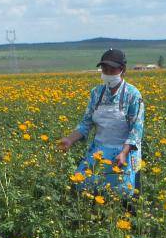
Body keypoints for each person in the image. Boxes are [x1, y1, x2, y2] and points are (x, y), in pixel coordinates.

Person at [57, 48, 145, 197]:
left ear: (122, 70)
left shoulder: (132, 94)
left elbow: (136, 130)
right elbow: (86, 123)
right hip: (99, 152)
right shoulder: (96, 93)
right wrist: (70, 139)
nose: (108, 74)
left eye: (112, 70)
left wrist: (124, 152)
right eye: (104, 69)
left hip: (123, 154)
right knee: (85, 188)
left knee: (123, 196)